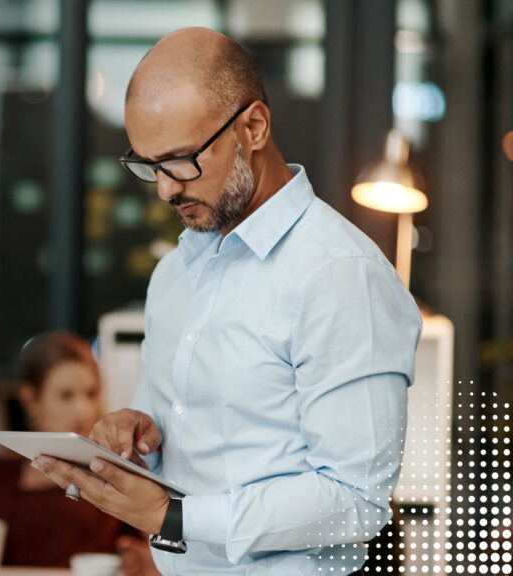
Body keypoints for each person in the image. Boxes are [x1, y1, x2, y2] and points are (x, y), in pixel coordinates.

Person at [31, 27, 422, 575]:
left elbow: (355, 502)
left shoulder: (339, 278)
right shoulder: (174, 275)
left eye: (180, 160)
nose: (166, 188)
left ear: (254, 127)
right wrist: (137, 429)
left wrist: (176, 518)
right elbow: (176, 431)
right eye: (148, 165)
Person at [0, 332, 158, 574]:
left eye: (91, 393)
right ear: (31, 399)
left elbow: (146, 552)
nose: (83, 410)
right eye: (66, 396)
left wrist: (148, 561)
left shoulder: (115, 477)